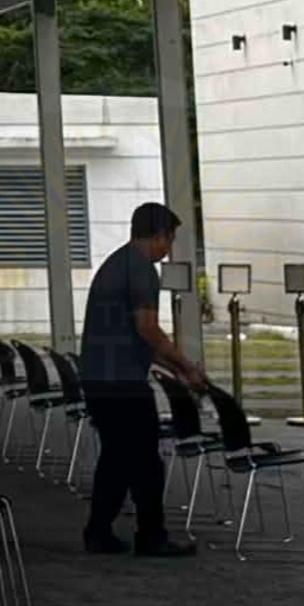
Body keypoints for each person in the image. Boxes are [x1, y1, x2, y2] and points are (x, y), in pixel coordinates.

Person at [79, 200, 212, 557]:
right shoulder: (141, 270)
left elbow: (136, 337)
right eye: (169, 240)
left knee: (118, 458)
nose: (168, 249)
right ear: (159, 235)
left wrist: (178, 369)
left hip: (100, 377)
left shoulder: (117, 263)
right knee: (146, 462)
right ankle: (151, 536)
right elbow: (147, 328)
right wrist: (187, 366)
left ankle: (98, 532)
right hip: (120, 382)